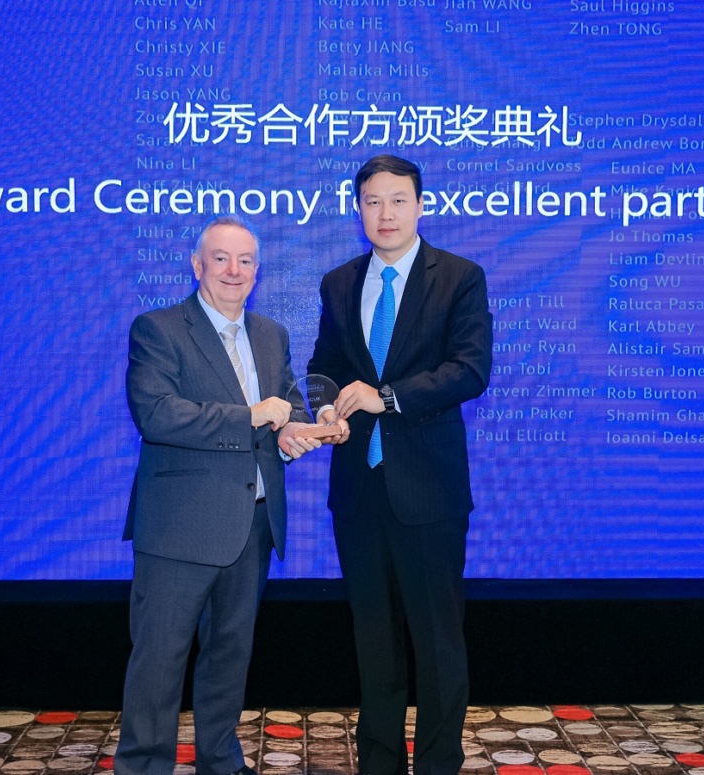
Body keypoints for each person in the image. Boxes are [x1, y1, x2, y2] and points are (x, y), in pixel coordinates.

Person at [115, 215, 344, 775]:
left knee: (229, 657)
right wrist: (251, 417)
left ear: (257, 271)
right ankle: (144, 766)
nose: (233, 271)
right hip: (179, 529)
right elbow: (157, 414)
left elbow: (281, 416)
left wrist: (303, 433)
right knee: (159, 663)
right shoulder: (158, 328)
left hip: (254, 523)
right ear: (197, 266)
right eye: (220, 258)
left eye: (244, 261)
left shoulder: (271, 335)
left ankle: (220, 760)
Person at [307, 155, 493, 775]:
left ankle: (440, 763)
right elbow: (323, 367)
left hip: (429, 491)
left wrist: (384, 398)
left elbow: (469, 371)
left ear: (420, 205)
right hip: (358, 491)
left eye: (396, 200)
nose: (383, 213)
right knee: (374, 642)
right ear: (357, 210)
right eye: (371, 201)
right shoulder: (338, 282)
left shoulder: (459, 277)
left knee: (438, 644)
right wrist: (325, 410)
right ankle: (379, 764)